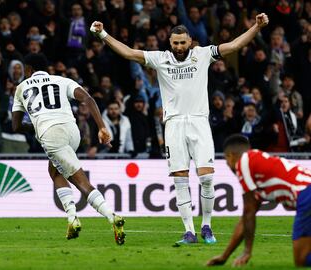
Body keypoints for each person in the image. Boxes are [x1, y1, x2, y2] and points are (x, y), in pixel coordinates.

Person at [90, 13, 269, 245]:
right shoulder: (160, 58)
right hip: (173, 124)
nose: (179, 47)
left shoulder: (203, 54)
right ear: (170, 43)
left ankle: (207, 226)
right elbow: (129, 53)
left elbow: (234, 44)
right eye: (175, 43)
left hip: (199, 122)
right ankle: (189, 231)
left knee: (207, 178)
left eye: (183, 42)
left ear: (190, 41)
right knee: (180, 180)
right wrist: (103, 34)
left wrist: (256, 27)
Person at [11, 53, 125, 245]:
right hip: (73, 132)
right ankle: (72, 218)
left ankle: (112, 216)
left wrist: (37, 125)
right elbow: (88, 99)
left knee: (80, 181)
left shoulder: (21, 87)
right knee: (54, 170)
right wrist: (101, 127)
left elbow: (16, 126)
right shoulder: (62, 80)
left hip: (51, 134)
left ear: (28, 70)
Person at [207, 134, 311, 267]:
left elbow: (248, 211)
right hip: (306, 194)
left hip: (306, 195)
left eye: (227, 162)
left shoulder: (243, 162)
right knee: (302, 259)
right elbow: (245, 219)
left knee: (301, 259)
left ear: (230, 156)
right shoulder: (258, 170)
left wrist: (247, 251)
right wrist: (224, 256)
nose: (229, 166)